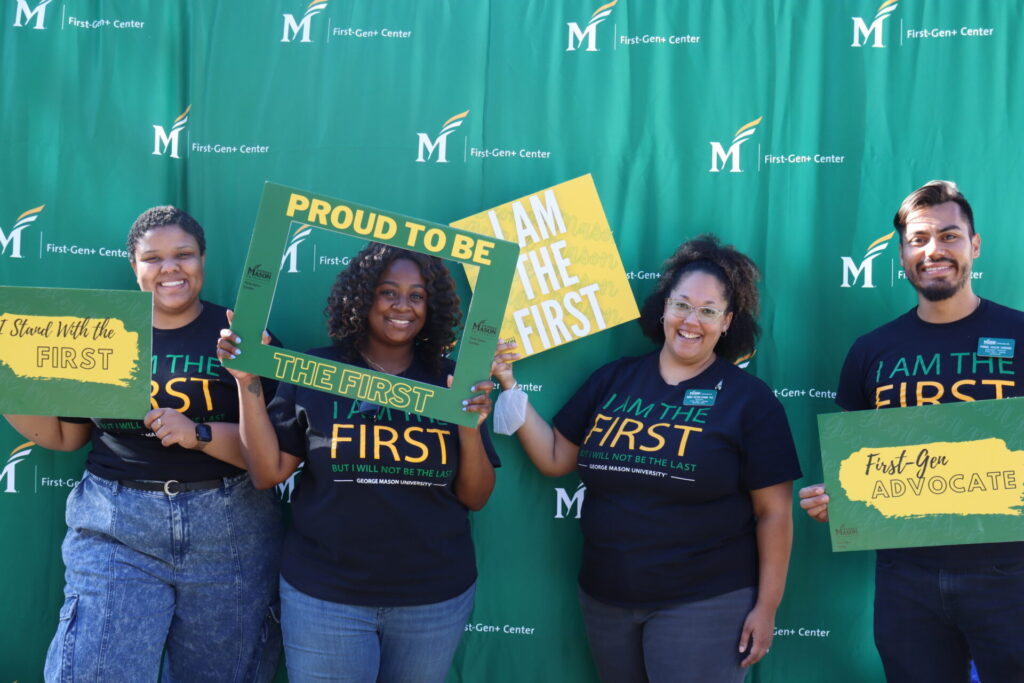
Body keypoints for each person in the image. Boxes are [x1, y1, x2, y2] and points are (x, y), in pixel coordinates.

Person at [492, 235, 802, 682]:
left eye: (708, 310)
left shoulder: (749, 401)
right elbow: (556, 458)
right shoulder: (613, 379)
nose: (691, 320)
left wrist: (767, 606)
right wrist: (509, 383)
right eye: (682, 305)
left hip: (704, 602)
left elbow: (774, 513)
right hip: (605, 599)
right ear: (663, 308)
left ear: (727, 322)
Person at [4, 206, 283, 682]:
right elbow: (65, 436)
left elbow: (272, 458)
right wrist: (9, 383)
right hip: (117, 526)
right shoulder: (102, 333)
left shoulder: (240, 334)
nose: (170, 268)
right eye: (153, 258)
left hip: (230, 529)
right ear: (134, 266)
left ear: (203, 259)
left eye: (184, 254)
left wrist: (198, 434)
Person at [217, 242, 499, 683]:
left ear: (432, 306)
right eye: (388, 292)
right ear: (363, 296)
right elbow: (267, 473)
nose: (402, 306)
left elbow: (476, 496)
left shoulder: (452, 380)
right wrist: (247, 381)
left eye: (417, 295)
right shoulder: (315, 372)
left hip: (432, 598)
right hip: (325, 597)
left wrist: (467, 425)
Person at [799, 180, 1024, 682]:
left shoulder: (1020, 335)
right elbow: (858, 467)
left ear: (975, 245)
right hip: (906, 581)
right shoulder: (871, 351)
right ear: (901, 254)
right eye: (918, 239)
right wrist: (840, 498)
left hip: (1010, 576)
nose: (933, 250)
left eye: (949, 236)